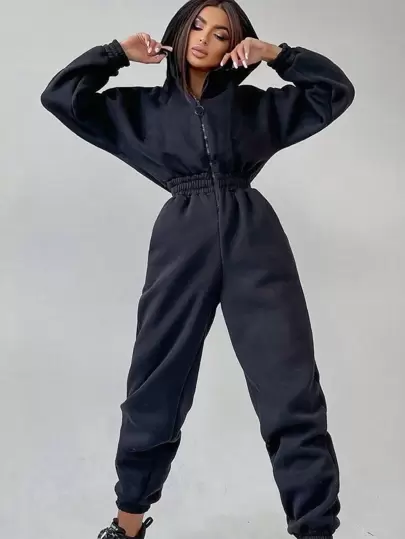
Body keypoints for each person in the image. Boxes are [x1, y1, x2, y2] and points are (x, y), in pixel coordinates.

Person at [40, 0, 355, 537]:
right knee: (155, 381)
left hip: (255, 237)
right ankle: (127, 524)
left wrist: (277, 54)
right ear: (181, 30)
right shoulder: (144, 110)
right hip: (181, 238)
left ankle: (316, 528)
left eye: (222, 33)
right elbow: (62, 97)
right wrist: (116, 54)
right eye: (198, 26)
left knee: (290, 387)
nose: (205, 38)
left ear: (236, 44)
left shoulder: (256, 108)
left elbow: (334, 91)